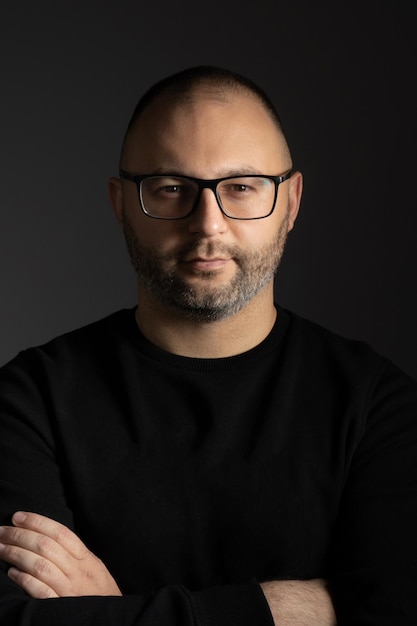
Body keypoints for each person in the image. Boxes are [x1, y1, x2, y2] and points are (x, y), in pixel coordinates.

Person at [0, 65, 416, 626]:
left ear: (290, 202)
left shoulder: (378, 405)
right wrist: (296, 607)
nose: (209, 225)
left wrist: (112, 614)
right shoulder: (28, 401)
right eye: (172, 189)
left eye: (241, 187)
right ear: (121, 204)